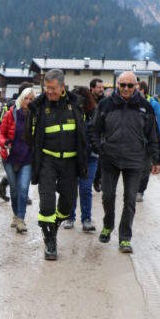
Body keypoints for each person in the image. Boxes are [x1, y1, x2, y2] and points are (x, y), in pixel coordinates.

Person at [89, 71, 160, 254]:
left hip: (135, 159)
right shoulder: (106, 104)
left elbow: (153, 134)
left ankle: (125, 238)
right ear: (117, 85)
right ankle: (108, 225)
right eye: (123, 85)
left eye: (130, 85)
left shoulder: (145, 107)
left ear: (136, 86)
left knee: (130, 200)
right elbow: (94, 129)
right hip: (109, 158)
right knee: (108, 196)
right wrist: (100, 148)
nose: (126, 89)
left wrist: (156, 159)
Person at [23, 69, 88, 260]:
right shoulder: (38, 106)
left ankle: (55, 224)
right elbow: (28, 135)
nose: (49, 92)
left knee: (67, 205)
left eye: (53, 88)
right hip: (47, 162)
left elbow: (84, 132)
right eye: (47, 88)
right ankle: (50, 241)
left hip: (70, 162)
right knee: (47, 204)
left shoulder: (75, 104)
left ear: (62, 86)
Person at [0, 87, 34, 233]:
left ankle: (20, 219)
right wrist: (5, 142)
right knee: (14, 190)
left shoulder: (36, 117)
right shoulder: (10, 114)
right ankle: (15, 214)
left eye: (32, 99)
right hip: (10, 158)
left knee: (23, 188)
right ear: (21, 99)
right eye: (26, 98)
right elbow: (1, 133)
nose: (29, 101)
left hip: (27, 158)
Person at [63, 86, 98, 232]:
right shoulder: (68, 113)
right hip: (71, 157)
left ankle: (86, 219)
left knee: (85, 188)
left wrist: (98, 148)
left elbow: (98, 132)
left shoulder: (94, 114)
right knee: (71, 189)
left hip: (90, 157)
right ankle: (70, 217)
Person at [0, 81, 34, 202]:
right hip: (12, 143)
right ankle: (19, 194)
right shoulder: (13, 105)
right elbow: (1, 124)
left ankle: (2, 187)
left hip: (17, 143)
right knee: (19, 168)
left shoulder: (14, 104)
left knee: (18, 168)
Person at [136, 80, 160, 202]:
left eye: (135, 87)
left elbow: (158, 124)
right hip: (133, 142)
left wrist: (156, 142)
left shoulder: (153, 104)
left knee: (145, 168)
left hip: (147, 142)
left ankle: (140, 190)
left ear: (142, 90)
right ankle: (132, 189)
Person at [89, 78, 105, 193]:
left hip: (100, 135)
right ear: (92, 88)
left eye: (102, 87)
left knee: (99, 160)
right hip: (88, 133)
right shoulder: (87, 100)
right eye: (99, 87)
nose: (101, 89)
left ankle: (96, 180)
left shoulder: (104, 101)